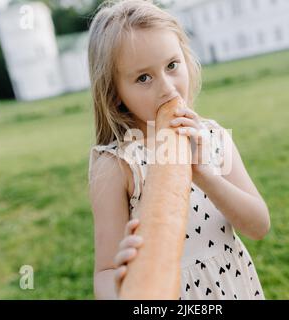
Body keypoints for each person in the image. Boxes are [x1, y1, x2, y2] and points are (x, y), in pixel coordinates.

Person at [87, 0, 270, 300]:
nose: (168, 88)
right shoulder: (116, 164)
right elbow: (106, 270)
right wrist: (121, 294)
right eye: (143, 78)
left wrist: (206, 176)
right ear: (115, 93)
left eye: (172, 65)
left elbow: (259, 225)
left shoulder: (213, 138)